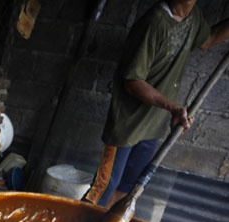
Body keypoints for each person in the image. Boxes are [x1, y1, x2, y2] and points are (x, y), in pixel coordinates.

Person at [82, 0, 229, 208]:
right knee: (103, 189)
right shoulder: (154, 23)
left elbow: (208, 40)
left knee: (126, 190)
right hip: (128, 127)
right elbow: (133, 82)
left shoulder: (193, 17)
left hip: (153, 127)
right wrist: (172, 107)